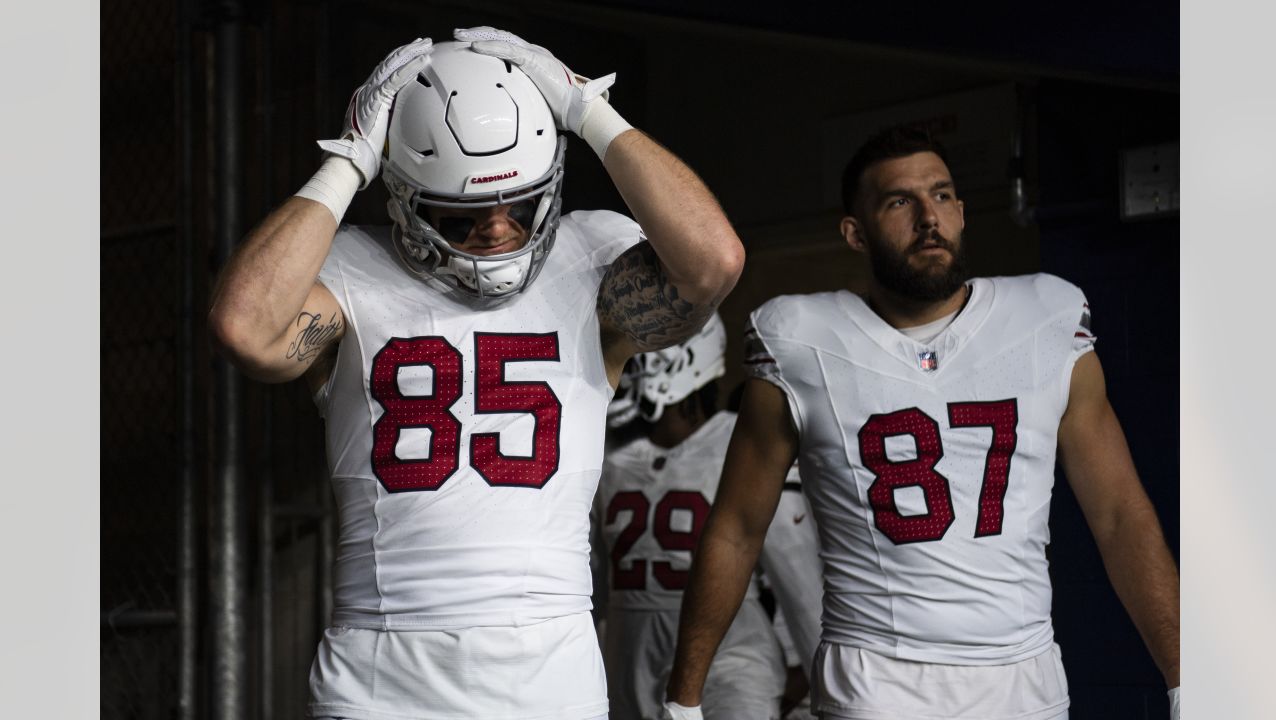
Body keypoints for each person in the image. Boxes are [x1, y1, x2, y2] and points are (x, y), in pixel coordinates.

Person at [208, 27, 744, 720]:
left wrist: (588, 110)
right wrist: (347, 163)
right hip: (380, 677)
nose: (496, 230)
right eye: (462, 216)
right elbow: (243, 329)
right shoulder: (348, 270)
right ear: (402, 196)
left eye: (519, 206)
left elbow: (714, 263)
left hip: (549, 675)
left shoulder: (588, 262)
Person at [661, 126, 1180, 720]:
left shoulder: (1045, 317)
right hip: (874, 682)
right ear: (855, 233)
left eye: (941, 195)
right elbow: (736, 530)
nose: (928, 218)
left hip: (1023, 680)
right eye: (900, 202)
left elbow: (1120, 517)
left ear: (962, 211)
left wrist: (1185, 674)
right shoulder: (801, 340)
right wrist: (684, 699)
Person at [593, 314, 820, 720]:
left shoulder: (738, 437)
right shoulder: (611, 455)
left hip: (728, 656)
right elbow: (594, 583)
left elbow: (793, 565)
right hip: (628, 657)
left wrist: (810, 666)